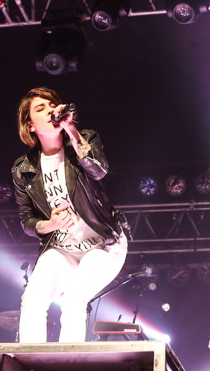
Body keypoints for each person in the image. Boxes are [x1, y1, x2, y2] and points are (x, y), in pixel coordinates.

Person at [12, 87, 128, 343]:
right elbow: (27, 221)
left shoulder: (83, 138)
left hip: (102, 244)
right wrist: (50, 224)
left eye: (52, 105)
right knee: (32, 299)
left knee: (74, 298)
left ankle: (68, 362)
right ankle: (28, 363)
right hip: (62, 249)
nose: (50, 110)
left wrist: (71, 129)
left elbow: (98, 171)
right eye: (40, 108)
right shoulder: (23, 169)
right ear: (30, 126)